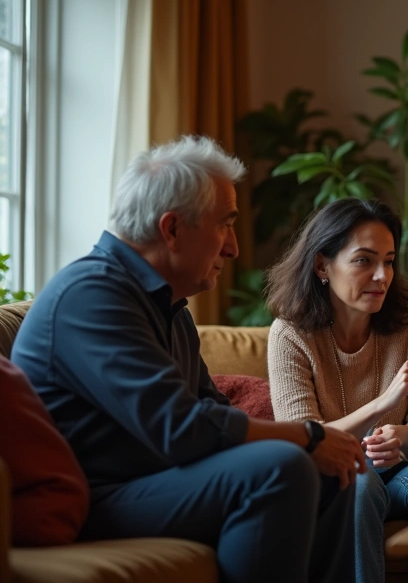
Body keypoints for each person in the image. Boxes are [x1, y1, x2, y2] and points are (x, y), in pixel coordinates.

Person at [11, 136, 363, 583]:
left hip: (154, 480)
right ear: (172, 229)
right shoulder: (91, 295)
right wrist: (307, 435)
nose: (233, 248)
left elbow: (210, 410)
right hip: (97, 496)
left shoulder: (168, 306)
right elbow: (182, 430)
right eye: (225, 225)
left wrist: (314, 446)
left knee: (330, 470)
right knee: (282, 467)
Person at [265, 198, 408, 583]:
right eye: (364, 261)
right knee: (358, 480)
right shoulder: (290, 334)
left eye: (388, 261)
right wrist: (382, 404)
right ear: (322, 265)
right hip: (334, 477)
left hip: (402, 472)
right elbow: (304, 439)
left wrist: (407, 437)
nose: (382, 276)